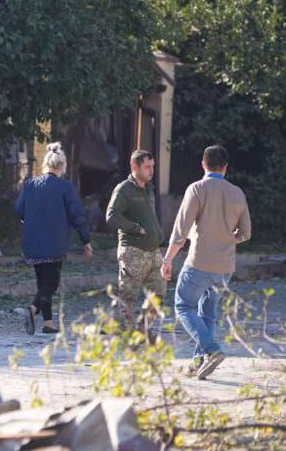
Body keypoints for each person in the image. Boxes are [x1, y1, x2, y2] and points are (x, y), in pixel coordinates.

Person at [161, 144, 252, 379]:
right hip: (225, 267)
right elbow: (246, 233)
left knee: (183, 306)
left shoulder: (196, 189)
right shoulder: (237, 193)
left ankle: (211, 350)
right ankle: (198, 363)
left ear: (203, 164)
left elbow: (180, 231)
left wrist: (168, 259)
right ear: (226, 167)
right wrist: (227, 238)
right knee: (208, 314)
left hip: (199, 262)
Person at [16, 142, 92, 335]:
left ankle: (48, 323)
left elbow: (19, 210)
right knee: (51, 283)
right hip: (54, 243)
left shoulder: (30, 184)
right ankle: (32, 309)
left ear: (45, 164)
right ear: (62, 166)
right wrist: (86, 240)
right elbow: (77, 216)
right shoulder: (66, 187)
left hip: (33, 241)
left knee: (42, 281)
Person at [106, 150, 166, 341]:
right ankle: (127, 334)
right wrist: (135, 228)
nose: (152, 170)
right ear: (134, 167)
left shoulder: (148, 188)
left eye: (152, 166)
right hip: (132, 251)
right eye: (147, 167)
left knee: (159, 292)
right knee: (128, 296)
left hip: (153, 251)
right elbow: (111, 216)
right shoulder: (124, 189)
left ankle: (143, 329)